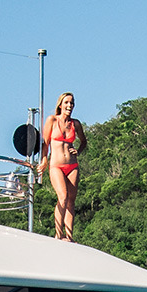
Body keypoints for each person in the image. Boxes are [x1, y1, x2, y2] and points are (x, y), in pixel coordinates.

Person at [42, 92, 86, 242]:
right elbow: (45, 143)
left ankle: (69, 236)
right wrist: (44, 160)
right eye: (66, 102)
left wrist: (78, 151)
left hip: (72, 165)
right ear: (60, 105)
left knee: (71, 200)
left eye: (72, 103)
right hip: (56, 165)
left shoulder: (75, 123)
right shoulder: (52, 120)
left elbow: (84, 141)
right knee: (63, 196)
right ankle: (58, 234)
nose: (69, 105)